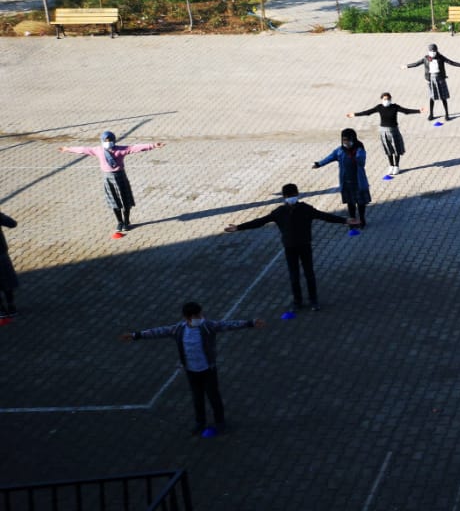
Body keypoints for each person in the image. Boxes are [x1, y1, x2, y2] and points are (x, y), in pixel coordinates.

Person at [119, 302, 265, 435]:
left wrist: (250, 323)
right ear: (188, 317)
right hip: (191, 371)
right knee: (197, 398)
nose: (201, 317)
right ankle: (200, 422)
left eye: (200, 314)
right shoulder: (178, 330)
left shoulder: (207, 326)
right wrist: (135, 335)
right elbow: (158, 332)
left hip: (208, 369)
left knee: (213, 396)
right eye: (197, 316)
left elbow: (228, 325)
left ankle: (220, 422)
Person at [225, 184, 353, 312]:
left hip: (300, 245)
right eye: (291, 196)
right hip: (294, 246)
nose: (292, 197)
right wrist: (239, 227)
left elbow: (326, 216)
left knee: (307, 274)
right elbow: (260, 221)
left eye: (293, 195)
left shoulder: (298, 210)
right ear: (287, 196)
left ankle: (311, 300)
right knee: (296, 275)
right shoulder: (284, 211)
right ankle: (301, 301)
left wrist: (344, 220)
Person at [59, 131, 164, 236]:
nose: (108, 143)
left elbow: (135, 148)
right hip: (108, 178)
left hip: (120, 176)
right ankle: (120, 222)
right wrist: (68, 149)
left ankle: (127, 221)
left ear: (114, 141)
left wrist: (153, 145)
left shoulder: (120, 149)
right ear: (102, 141)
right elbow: (83, 150)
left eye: (110, 140)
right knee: (114, 201)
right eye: (106, 141)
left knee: (125, 200)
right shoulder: (98, 150)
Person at [347, 93, 420, 175]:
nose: (386, 101)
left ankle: (396, 166)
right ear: (382, 99)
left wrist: (419, 111)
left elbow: (406, 111)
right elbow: (368, 112)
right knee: (388, 149)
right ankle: (391, 165)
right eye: (385, 99)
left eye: (388, 99)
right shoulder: (379, 107)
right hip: (383, 131)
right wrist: (354, 114)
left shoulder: (395, 107)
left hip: (394, 131)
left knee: (396, 149)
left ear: (391, 99)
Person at [313, 128, 371, 227]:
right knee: (350, 203)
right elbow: (330, 157)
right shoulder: (339, 151)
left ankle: (362, 219)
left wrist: (354, 156)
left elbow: (361, 162)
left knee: (361, 203)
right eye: (344, 140)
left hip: (358, 181)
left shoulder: (359, 150)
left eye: (348, 140)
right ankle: (352, 220)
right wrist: (319, 164)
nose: (346, 142)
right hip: (346, 181)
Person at [406, 43, 460, 121]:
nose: (432, 52)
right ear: (428, 51)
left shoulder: (440, 57)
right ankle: (431, 114)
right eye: (431, 51)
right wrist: (407, 66)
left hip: (440, 79)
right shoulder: (425, 58)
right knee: (432, 97)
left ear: (436, 51)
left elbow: (451, 62)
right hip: (431, 79)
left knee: (443, 97)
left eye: (434, 51)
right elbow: (416, 64)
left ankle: (447, 115)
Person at [0, 211, 17, 322]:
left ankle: (1, 310)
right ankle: (11, 305)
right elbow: (12, 223)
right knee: (7, 281)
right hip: (0, 254)